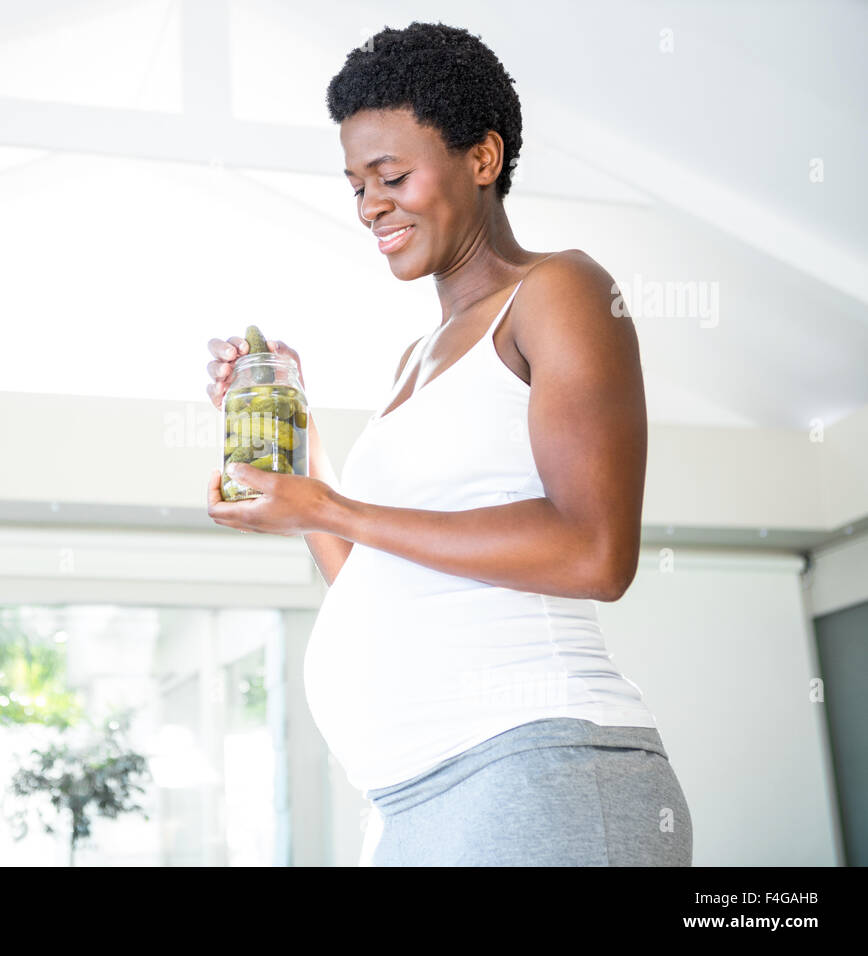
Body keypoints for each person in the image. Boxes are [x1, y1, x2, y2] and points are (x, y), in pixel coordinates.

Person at [204, 21, 692, 866]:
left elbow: (594, 553)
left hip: (534, 765)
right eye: (356, 185)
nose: (370, 207)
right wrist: (297, 435)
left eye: (391, 176)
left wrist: (333, 504)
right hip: (406, 802)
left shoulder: (560, 291)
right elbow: (372, 574)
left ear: (483, 157)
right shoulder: (413, 360)